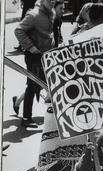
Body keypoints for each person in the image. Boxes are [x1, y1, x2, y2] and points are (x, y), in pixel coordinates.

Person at [14, 0, 56, 128]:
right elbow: (18, 30)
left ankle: (18, 103)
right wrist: (31, 47)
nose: (52, 2)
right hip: (34, 57)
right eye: (49, 1)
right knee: (32, 87)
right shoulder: (33, 15)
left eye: (54, 0)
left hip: (45, 57)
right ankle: (26, 118)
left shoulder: (50, 13)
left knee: (47, 85)